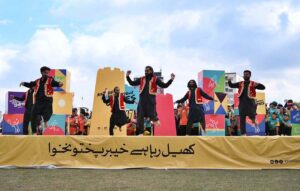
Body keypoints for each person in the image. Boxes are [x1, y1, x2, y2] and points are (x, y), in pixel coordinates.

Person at [126, 66, 175, 135]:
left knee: (152, 113)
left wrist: (171, 79)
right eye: (145, 70)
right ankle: (141, 132)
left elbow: (164, 85)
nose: (146, 71)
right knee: (140, 116)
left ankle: (155, 119)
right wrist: (127, 76)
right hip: (142, 100)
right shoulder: (142, 79)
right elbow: (132, 83)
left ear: (151, 71)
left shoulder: (155, 79)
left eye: (148, 70)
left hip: (150, 99)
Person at [20, 66, 63, 135]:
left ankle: (45, 123)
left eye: (48, 73)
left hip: (47, 101)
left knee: (47, 114)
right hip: (38, 102)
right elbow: (31, 84)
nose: (47, 74)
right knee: (33, 115)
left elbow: (55, 83)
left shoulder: (50, 80)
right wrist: (24, 83)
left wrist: (59, 84)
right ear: (42, 73)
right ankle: (34, 132)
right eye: (45, 73)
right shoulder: (37, 81)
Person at [228, 70, 265, 136]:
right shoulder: (240, 83)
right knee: (242, 119)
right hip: (242, 104)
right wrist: (229, 81)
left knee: (252, 117)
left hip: (250, 104)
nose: (245, 75)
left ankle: (255, 124)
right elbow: (231, 85)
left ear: (250, 75)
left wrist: (259, 84)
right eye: (244, 74)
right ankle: (243, 134)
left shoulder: (253, 83)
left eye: (247, 74)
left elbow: (263, 88)